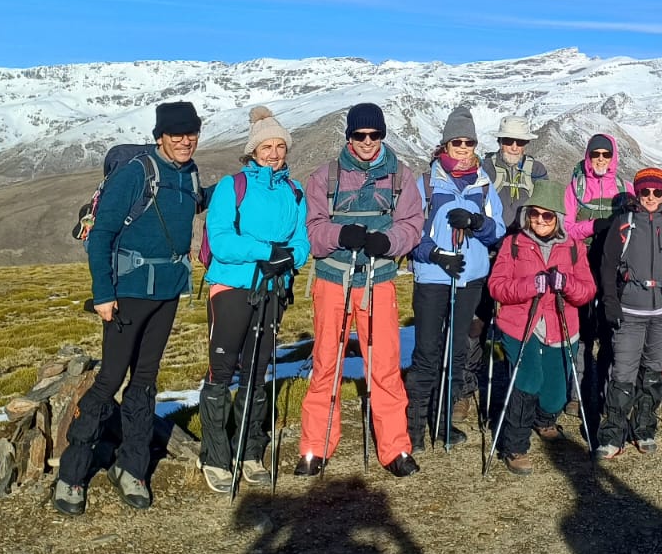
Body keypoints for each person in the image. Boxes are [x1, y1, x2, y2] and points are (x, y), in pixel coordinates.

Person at [55, 101, 205, 515]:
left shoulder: (188, 173)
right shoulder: (135, 173)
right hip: (128, 292)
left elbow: (191, 204)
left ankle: (133, 467)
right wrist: (103, 293)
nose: (185, 141)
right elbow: (101, 235)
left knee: (145, 380)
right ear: (160, 136)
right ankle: (71, 474)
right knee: (109, 380)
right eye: (176, 134)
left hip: (168, 291)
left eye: (191, 133)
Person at [296, 103, 425, 478]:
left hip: (379, 280)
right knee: (326, 364)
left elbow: (412, 226)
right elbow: (314, 231)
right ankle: (314, 448)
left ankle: (395, 448)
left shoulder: (402, 177)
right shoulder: (325, 177)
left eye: (375, 135)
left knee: (384, 366)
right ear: (349, 136)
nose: (368, 142)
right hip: (333, 281)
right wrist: (340, 234)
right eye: (359, 135)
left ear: (382, 135)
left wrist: (388, 241)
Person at [197, 107, 309, 492]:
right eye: (267, 146)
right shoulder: (233, 186)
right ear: (253, 151)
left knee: (258, 373)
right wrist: (266, 251)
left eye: (280, 146)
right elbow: (223, 240)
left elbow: (302, 243)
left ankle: (249, 451)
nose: (274, 153)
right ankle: (215, 457)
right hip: (231, 287)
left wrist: (287, 257)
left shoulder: (294, 192)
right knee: (221, 371)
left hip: (273, 289)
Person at [406, 105, 505, 452]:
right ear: (445, 145)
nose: (463, 148)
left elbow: (499, 231)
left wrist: (478, 224)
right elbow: (410, 232)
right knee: (427, 351)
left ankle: (444, 422)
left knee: (457, 351)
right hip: (433, 276)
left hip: (471, 278)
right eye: (456, 142)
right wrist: (434, 253)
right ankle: (416, 427)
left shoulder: (483, 184)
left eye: (469, 142)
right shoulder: (425, 184)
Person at [486, 176, 596, 474]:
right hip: (521, 323)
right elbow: (497, 287)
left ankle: (545, 420)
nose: (539, 219)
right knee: (528, 380)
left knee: (556, 394)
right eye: (534, 213)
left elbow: (588, 290)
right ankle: (515, 445)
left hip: (562, 325)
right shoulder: (513, 244)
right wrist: (529, 286)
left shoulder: (574, 247)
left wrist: (567, 284)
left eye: (547, 215)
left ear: (558, 218)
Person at [463, 115, 549, 424]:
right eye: (508, 141)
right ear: (499, 142)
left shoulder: (537, 171)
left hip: (523, 256)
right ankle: (465, 388)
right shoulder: (484, 168)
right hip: (486, 253)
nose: (514, 146)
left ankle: (521, 390)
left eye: (520, 142)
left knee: (521, 326)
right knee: (476, 323)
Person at [595, 166, 662, 459]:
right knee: (623, 372)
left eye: (656, 192)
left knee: (652, 372)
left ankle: (644, 428)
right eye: (645, 191)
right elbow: (607, 267)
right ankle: (612, 435)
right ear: (637, 193)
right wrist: (610, 302)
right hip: (630, 309)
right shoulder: (624, 224)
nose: (650, 197)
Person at [564, 133, 632, 416]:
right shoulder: (575, 187)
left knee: (609, 328)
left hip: (615, 267)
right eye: (596, 155)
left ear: (613, 155)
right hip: (581, 264)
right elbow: (566, 227)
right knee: (581, 332)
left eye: (605, 154)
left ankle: (606, 390)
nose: (601, 159)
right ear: (588, 156)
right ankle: (576, 393)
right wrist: (594, 226)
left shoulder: (624, 186)